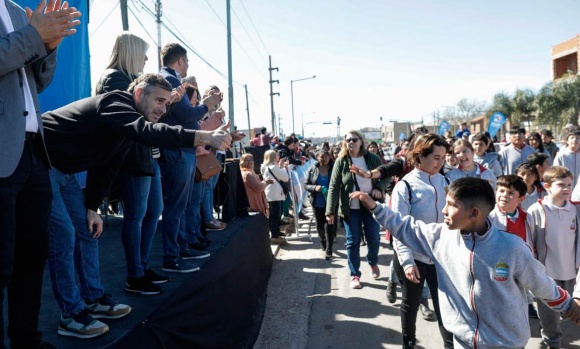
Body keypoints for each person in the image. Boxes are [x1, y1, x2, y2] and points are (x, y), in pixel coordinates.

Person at [42, 74, 232, 339]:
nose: (163, 109)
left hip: (64, 172)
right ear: (140, 93)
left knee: (86, 231)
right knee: (64, 235)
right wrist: (202, 137)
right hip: (39, 160)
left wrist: (92, 207)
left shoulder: (125, 127)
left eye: (167, 104)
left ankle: (93, 299)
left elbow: (108, 166)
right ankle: (70, 314)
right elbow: (149, 133)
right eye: (160, 101)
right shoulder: (115, 102)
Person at [352, 177, 580, 349]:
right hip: (463, 341)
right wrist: (376, 207)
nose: (444, 210)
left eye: (451, 205)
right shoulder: (440, 237)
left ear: (474, 213)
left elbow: (540, 283)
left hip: (506, 343)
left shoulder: (511, 247)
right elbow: (407, 227)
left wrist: (569, 306)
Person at [0, 1, 81, 348]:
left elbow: (38, 81)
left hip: (33, 151)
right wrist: (35, 36)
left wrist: (49, 47)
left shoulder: (18, 11)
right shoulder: (26, 22)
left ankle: (25, 339)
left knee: (32, 256)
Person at [94, 32, 168, 296]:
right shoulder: (115, 78)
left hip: (144, 157)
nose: (148, 58)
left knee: (151, 212)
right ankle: (135, 275)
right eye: (144, 53)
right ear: (132, 52)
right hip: (131, 158)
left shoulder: (125, 79)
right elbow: (124, 122)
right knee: (136, 216)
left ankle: (142, 267)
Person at [157, 43, 223, 272]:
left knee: (179, 205)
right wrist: (207, 105)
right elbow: (187, 114)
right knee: (176, 206)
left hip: (177, 150)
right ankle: (172, 256)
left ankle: (180, 248)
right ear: (180, 61)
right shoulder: (172, 80)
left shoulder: (166, 78)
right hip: (178, 150)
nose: (188, 67)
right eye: (187, 62)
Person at [384, 133, 454, 347]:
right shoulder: (405, 186)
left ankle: (450, 344)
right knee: (411, 302)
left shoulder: (446, 182)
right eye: (436, 157)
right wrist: (407, 261)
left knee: (445, 304)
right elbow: (398, 227)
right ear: (420, 156)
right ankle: (409, 342)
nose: (440, 162)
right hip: (412, 258)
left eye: (443, 158)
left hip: (439, 258)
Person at [325, 131, 388, 289]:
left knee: (373, 238)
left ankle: (373, 262)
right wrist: (330, 211)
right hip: (350, 208)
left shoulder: (372, 158)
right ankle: (355, 274)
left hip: (370, 206)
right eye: (347, 140)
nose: (350, 142)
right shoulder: (341, 161)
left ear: (361, 141)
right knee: (352, 241)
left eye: (353, 140)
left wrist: (379, 187)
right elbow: (334, 186)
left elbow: (386, 174)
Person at [528, 166, 580, 349]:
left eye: (569, 184)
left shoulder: (575, 210)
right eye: (561, 185)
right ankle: (553, 343)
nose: (566, 189)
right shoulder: (536, 209)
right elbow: (530, 243)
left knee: (573, 313)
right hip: (547, 275)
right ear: (547, 186)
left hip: (571, 273)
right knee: (549, 316)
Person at [489, 175, 539, 319]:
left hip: (520, 265)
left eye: (511, 193)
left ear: (521, 199)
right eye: (501, 191)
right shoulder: (490, 217)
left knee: (518, 300)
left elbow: (529, 240)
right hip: (498, 267)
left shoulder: (526, 217)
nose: (505, 195)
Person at [305, 150, 336, 260]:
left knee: (330, 225)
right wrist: (315, 188)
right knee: (319, 225)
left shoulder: (334, 168)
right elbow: (306, 185)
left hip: (331, 203)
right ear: (317, 158)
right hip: (317, 202)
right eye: (322, 157)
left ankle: (329, 249)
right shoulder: (313, 169)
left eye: (326, 156)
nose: (324, 159)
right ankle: (322, 240)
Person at [261, 149, 290, 245]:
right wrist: (282, 167)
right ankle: (274, 235)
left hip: (272, 193)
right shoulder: (273, 167)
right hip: (275, 194)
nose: (279, 157)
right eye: (277, 155)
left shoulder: (265, 167)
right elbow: (285, 178)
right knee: (275, 215)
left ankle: (275, 232)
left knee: (275, 214)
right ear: (274, 157)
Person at [240, 153, 271, 217]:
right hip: (254, 206)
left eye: (251, 160)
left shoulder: (248, 172)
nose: (250, 162)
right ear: (242, 162)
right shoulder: (248, 174)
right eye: (247, 160)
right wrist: (266, 182)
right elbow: (259, 187)